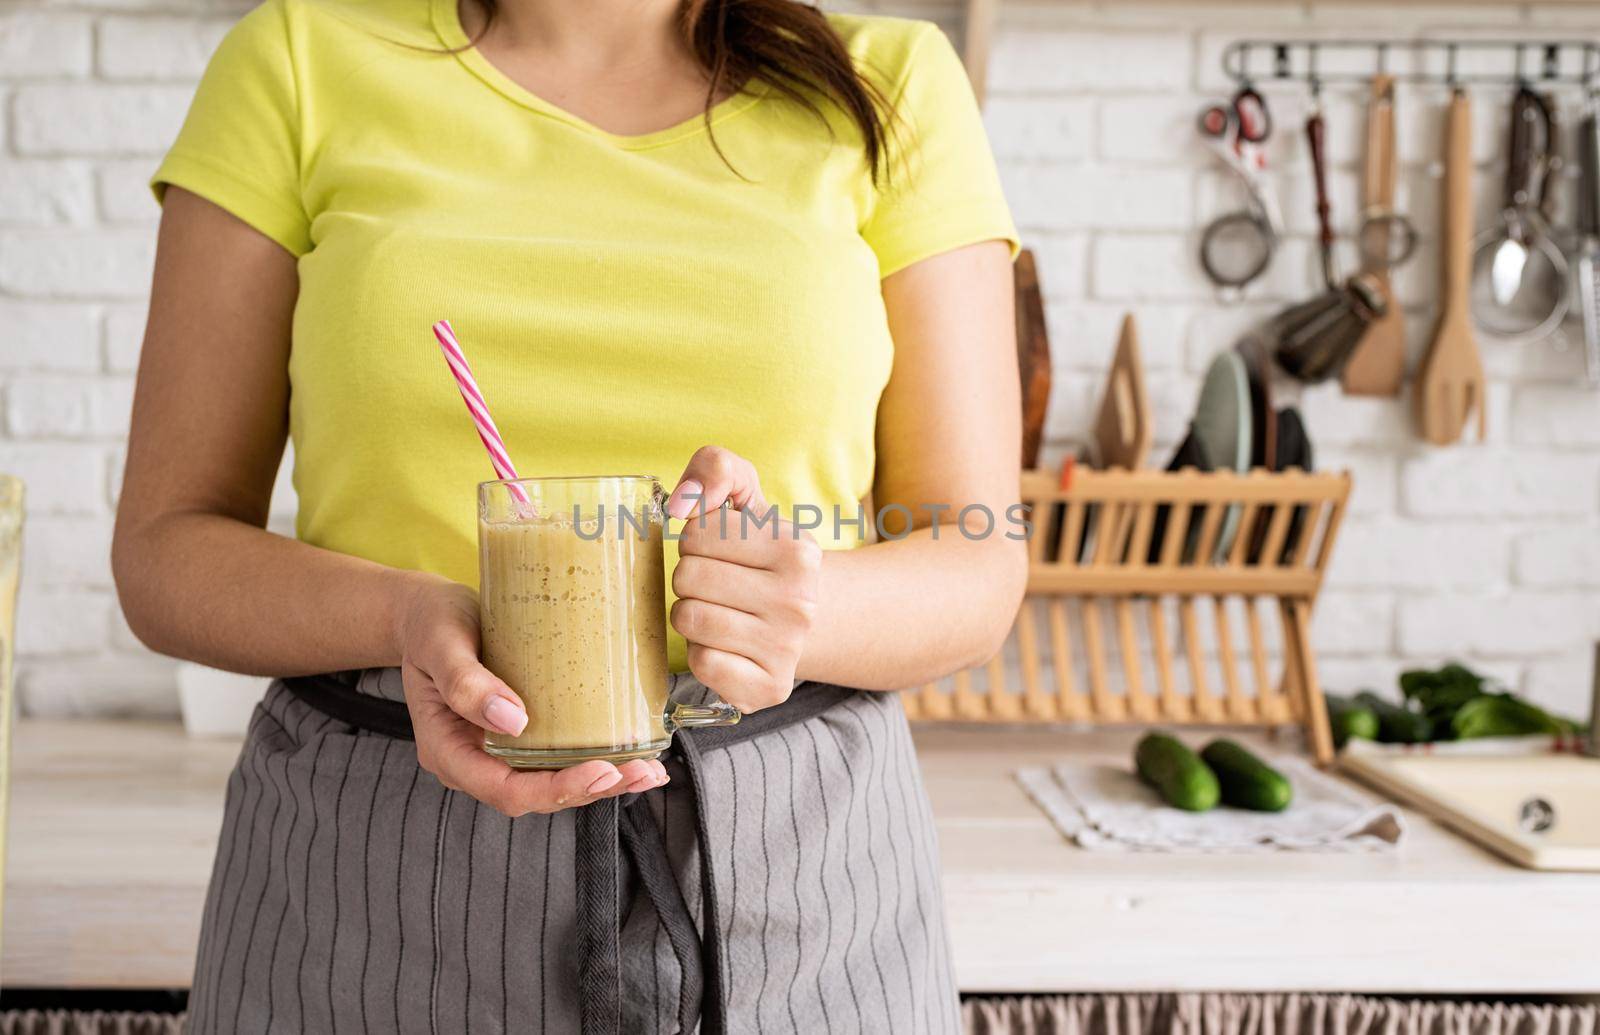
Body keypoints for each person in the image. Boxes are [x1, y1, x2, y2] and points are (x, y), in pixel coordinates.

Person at [112, 0, 1022, 1029]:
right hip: (376, 858)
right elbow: (165, 551)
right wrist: (405, 612)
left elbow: (978, 556)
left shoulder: (894, 81)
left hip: (799, 866)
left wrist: (806, 607)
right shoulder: (297, 60)